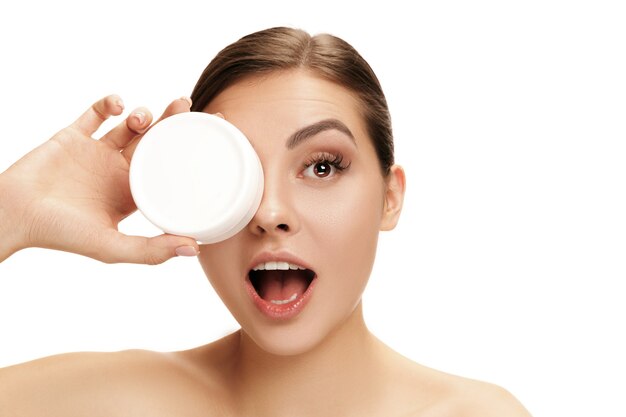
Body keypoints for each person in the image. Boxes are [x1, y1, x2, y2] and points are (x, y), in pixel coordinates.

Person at [0, 27, 531, 416]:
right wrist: (12, 214)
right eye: (236, 175)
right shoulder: (109, 404)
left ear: (389, 198)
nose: (269, 212)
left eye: (322, 167)